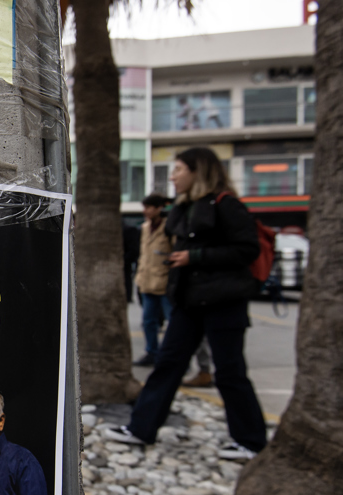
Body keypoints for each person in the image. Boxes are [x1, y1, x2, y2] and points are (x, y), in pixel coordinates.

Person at [105, 147, 267, 461]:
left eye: (178, 169)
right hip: (188, 303)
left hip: (224, 303)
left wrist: (196, 256)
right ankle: (141, 429)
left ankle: (250, 441)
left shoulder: (227, 205)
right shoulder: (182, 208)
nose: (174, 176)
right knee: (167, 365)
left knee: (230, 371)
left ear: (198, 171)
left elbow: (247, 249)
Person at [133, 193, 174, 366]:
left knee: (173, 323)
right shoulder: (144, 227)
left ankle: (172, 356)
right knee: (148, 321)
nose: (146, 211)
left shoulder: (169, 227)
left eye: (149, 207)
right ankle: (152, 352)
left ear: (159, 208)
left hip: (165, 282)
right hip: (147, 281)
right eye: (145, 207)